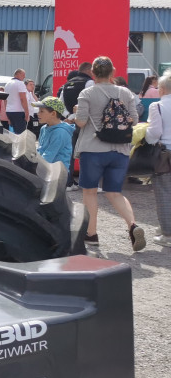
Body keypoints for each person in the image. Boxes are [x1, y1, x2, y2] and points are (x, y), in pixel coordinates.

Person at [72, 56, 145, 250]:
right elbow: (135, 120)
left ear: (93, 73)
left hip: (93, 149)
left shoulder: (87, 93)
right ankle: (132, 225)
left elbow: (80, 122)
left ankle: (92, 234)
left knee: (90, 192)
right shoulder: (126, 92)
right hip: (120, 149)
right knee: (114, 192)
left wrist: (76, 111)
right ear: (113, 72)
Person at [144, 73, 171, 246]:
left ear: (161, 89)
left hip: (164, 154)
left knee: (164, 193)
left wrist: (145, 136)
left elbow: (154, 133)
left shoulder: (158, 106)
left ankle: (167, 235)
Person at [36, 97, 74, 175]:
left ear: (53, 113)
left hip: (56, 174)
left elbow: (49, 155)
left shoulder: (60, 132)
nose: (38, 113)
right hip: (46, 169)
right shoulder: (44, 128)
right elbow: (40, 149)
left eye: (42, 111)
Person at [3, 68, 31, 134]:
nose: (24, 77)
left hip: (9, 111)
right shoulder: (20, 83)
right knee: (21, 134)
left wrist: (7, 114)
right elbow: (23, 98)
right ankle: (19, 144)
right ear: (18, 74)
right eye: (23, 75)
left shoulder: (7, 84)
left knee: (14, 132)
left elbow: (5, 100)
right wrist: (27, 112)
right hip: (18, 111)